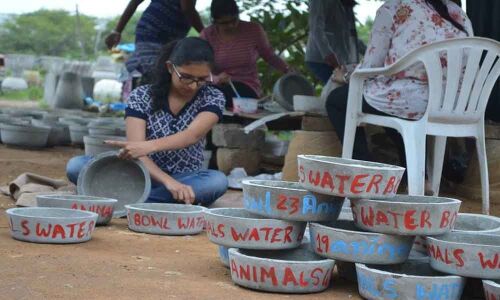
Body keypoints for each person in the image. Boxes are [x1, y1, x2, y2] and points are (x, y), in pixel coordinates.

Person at [67, 37, 228, 206]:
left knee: (216, 181)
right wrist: (167, 181)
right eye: (186, 77)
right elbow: (137, 152)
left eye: (202, 79)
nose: (193, 86)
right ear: (170, 67)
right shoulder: (142, 96)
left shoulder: (213, 96)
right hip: (138, 171)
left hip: (184, 177)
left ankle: (120, 197)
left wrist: (149, 146)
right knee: (76, 166)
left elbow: (192, 135)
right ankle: (155, 201)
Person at [326, 0, 473, 162]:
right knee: (392, 107)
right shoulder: (459, 14)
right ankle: (417, 176)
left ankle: (362, 168)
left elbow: (371, 67)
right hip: (455, 104)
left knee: (337, 101)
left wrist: (346, 76)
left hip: (414, 102)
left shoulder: (393, 8)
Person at [200, 0, 291, 109]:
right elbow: (201, 67)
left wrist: (287, 69)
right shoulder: (207, 35)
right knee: (208, 95)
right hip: (217, 85)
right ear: (214, 21)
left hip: (246, 85)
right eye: (224, 23)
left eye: (234, 20)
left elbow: (269, 55)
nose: (231, 25)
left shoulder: (253, 30)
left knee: (225, 96)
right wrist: (216, 78)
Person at [105, 0, 204, 81]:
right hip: (153, 34)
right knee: (159, 77)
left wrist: (118, 30)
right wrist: (207, 34)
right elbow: (187, 8)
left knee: (162, 77)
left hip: (167, 37)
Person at [306, 0, 365, 84]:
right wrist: (328, 54)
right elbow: (316, 29)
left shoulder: (344, 5)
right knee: (338, 90)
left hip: (339, 61)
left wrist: (370, 51)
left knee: (344, 89)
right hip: (321, 60)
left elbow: (349, 37)